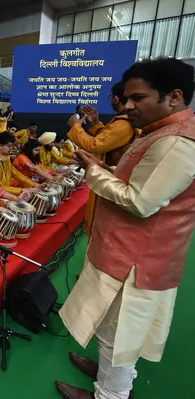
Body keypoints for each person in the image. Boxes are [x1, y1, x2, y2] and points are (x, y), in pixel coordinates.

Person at [56, 58, 195, 399]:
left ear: (173, 97)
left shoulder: (176, 143)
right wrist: (105, 167)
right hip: (133, 252)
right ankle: (107, 373)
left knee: (119, 336)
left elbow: (140, 201)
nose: (127, 105)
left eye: (138, 98)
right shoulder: (161, 132)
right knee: (117, 333)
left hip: (136, 261)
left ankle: (109, 393)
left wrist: (94, 171)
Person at [66, 81, 140, 236]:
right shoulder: (123, 122)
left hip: (113, 178)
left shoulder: (123, 124)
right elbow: (108, 137)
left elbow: (96, 145)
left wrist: (75, 127)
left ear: (116, 98)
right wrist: (95, 123)